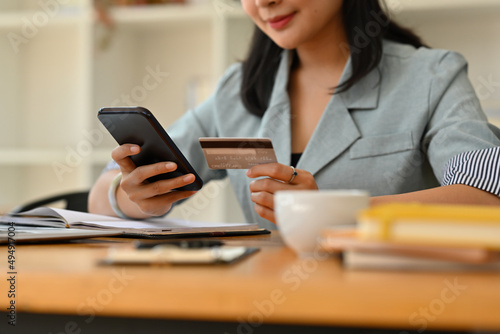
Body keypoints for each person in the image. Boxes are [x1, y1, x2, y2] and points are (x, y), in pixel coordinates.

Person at [89, 0, 500, 230]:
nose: (263, 2)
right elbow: (99, 198)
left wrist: (333, 212)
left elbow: (486, 196)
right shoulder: (239, 89)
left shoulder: (433, 76)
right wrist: (135, 196)